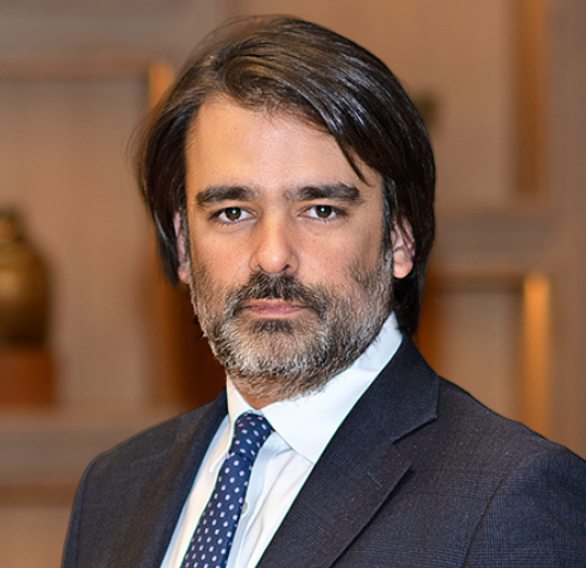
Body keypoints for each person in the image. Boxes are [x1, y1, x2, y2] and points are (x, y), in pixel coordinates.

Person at [62, 16, 586, 568]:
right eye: (232, 212)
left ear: (400, 238)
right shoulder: (114, 489)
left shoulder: (510, 499)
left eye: (320, 210)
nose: (272, 255)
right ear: (184, 245)